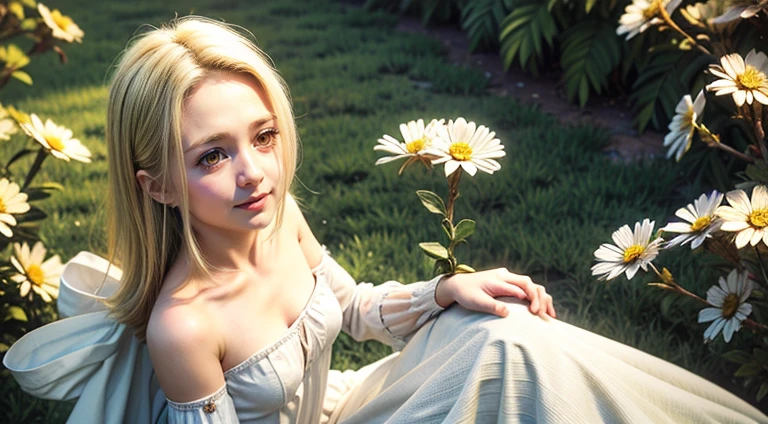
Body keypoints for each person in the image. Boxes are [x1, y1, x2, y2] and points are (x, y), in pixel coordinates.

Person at [3, 16, 767, 424]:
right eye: (211, 156)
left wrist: (443, 292)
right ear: (158, 186)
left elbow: (352, 307)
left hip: (346, 403)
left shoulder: (278, 216)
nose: (255, 173)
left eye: (263, 137)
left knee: (505, 337)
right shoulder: (184, 328)